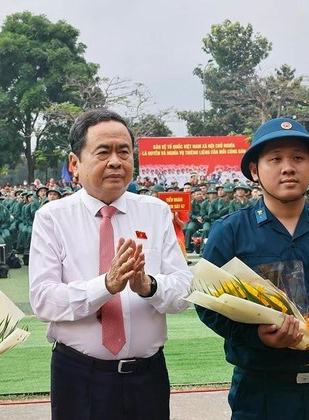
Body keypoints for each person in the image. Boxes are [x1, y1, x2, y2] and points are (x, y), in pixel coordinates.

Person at [198, 117, 309, 419]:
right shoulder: (230, 232)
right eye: (275, 159)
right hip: (259, 392)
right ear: (255, 169)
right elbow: (209, 306)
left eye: (298, 158)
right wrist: (256, 336)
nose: (288, 167)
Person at [29, 109, 191, 420]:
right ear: (74, 164)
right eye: (103, 152)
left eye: (124, 152)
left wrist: (149, 286)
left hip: (147, 378)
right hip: (78, 377)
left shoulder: (156, 212)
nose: (116, 161)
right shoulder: (52, 217)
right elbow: (43, 300)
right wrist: (104, 286)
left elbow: (184, 290)